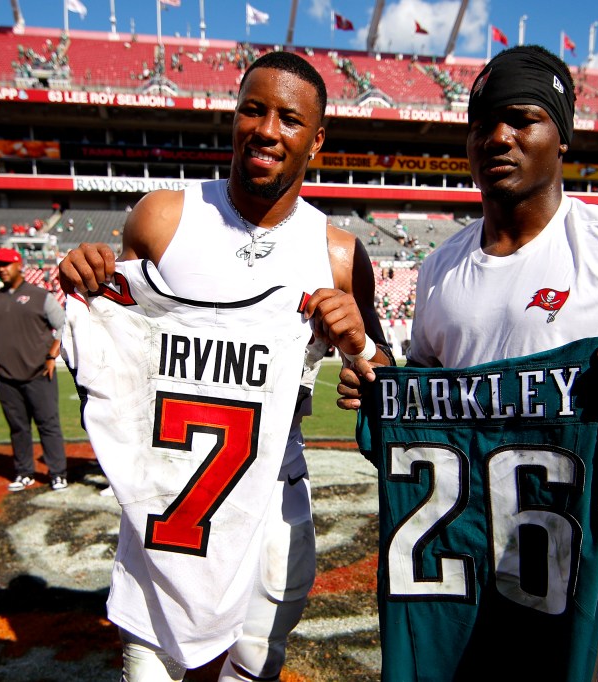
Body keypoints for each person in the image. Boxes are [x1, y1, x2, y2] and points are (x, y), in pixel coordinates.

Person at [340, 46, 598, 681]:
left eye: (521, 119)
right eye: (482, 124)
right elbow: (424, 397)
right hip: (446, 571)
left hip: (550, 573)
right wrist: (377, 380)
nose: (497, 138)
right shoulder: (440, 268)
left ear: (560, 135)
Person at [58, 51, 390, 682]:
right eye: (253, 109)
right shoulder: (162, 218)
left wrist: (363, 349)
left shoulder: (339, 255)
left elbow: (381, 382)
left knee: (249, 672)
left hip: (271, 504)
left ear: (316, 140)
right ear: (234, 117)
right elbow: (118, 352)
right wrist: (89, 278)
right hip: (168, 503)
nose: (266, 129)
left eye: (289, 119)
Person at [0, 247, 69, 493]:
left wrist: (52, 356)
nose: (1, 269)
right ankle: (24, 472)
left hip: (39, 373)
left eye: (6, 264)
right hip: (6, 377)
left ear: (19, 265)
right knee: (18, 427)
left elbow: (63, 325)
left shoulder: (40, 296)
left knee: (48, 425)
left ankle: (58, 473)